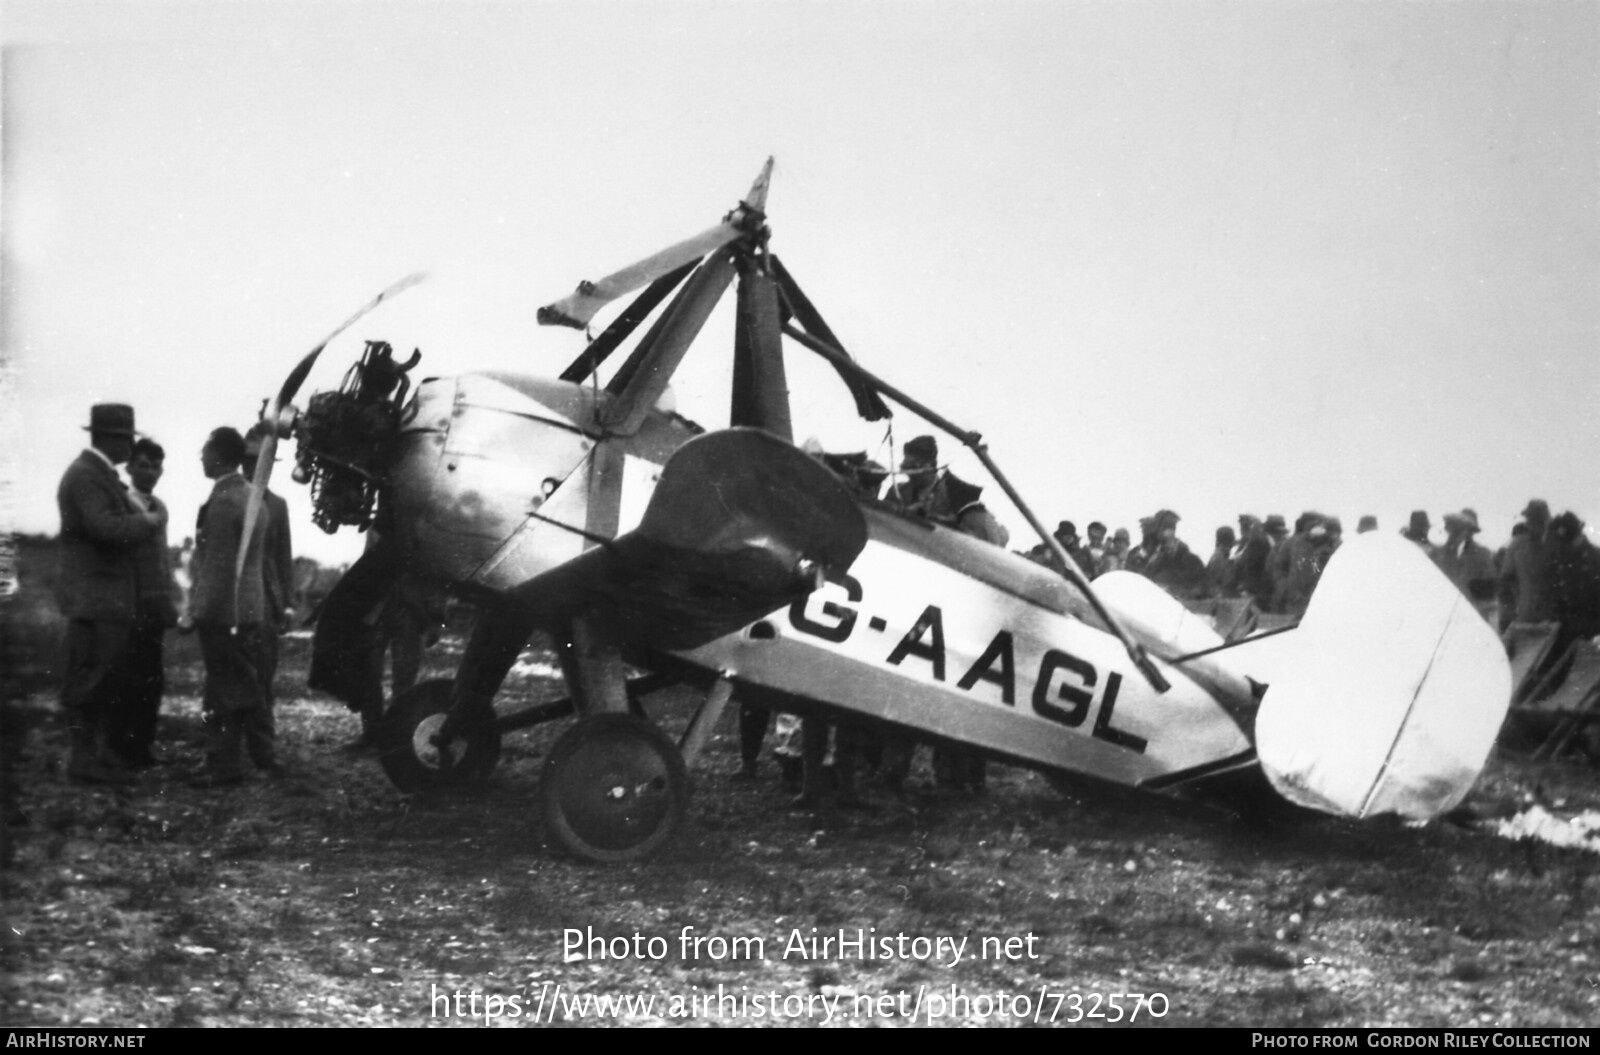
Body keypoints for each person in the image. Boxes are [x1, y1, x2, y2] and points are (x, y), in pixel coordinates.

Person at [882, 435, 1004, 793]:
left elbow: (989, 545)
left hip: (955, 610)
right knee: (903, 685)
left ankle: (959, 777)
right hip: (912, 606)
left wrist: (938, 523)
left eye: (913, 465)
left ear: (930, 463)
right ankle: (892, 772)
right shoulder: (898, 494)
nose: (907, 472)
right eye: (905, 465)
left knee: (960, 690)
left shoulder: (961, 495)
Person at [55, 404, 168, 784]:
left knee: (101, 680)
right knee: (90, 680)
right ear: (111, 439)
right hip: (97, 597)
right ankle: (83, 760)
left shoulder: (96, 474)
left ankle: (93, 756)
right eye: (127, 441)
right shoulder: (88, 476)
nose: (129, 450)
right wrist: (148, 522)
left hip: (103, 597)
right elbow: (103, 527)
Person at [188, 426, 271, 786]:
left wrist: (195, 612)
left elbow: (217, 568)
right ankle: (231, 760)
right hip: (250, 608)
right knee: (237, 683)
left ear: (219, 454)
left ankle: (224, 767)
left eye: (205, 450)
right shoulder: (254, 497)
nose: (202, 457)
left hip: (224, 611)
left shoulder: (223, 501)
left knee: (225, 688)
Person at [110, 438, 181, 767]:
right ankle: (120, 747)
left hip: (154, 607)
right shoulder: (122, 504)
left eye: (155, 466)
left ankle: (142, 746)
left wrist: (169, 600)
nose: (149, 472)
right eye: (143, 465)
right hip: (128, 606)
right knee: (126, 678)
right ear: (129, 467)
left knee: (152, 679)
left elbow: (163, 561)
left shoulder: (160, 508)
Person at [242, 424, 294, 768]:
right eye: (250, 459)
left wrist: (286, 604)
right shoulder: (228, 498)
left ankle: (263, 751)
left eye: (263, 460)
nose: (256, 466)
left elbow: (283, 556)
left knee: (263, 679)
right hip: (233, 604)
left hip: (266, 604)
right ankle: (228, 751)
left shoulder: (277, 505)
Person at [1499, 499, 1558, 633]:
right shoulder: (1517, 546)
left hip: (1552, 619)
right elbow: (1505, 582)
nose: (1533, 523)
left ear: (1546, 520)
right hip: (1524, 617)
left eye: (1538, 519)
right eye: (1531, 518)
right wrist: (1509, 613)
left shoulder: (1556, 545)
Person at [1433, 508, 1497, 624]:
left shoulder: (1482, 555)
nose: (1456, 532)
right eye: (1455, 528)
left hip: (1473, 615)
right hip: (1443, 615)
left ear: (1470, 531)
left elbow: (1489, 591)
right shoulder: (1437, 554)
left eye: (1461, 528)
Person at [1205, 525, 1237, 597]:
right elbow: (1229, 581)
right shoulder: (1219, 559)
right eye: (1229, 546)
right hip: (1220, 598)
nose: (1230, 549)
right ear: (1224, 544)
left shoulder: (1217, 557)